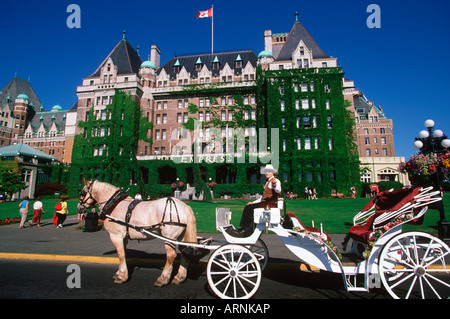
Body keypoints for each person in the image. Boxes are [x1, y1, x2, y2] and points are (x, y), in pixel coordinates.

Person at [229, 164, 281, 237]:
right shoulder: (267, 182)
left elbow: (278, 190)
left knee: (249, 208)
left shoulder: (275, 181)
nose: (267, 173)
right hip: (265, 202)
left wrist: (275, 185)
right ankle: (246, 229)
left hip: (269, 204)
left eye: (269, 172)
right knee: (249, 206)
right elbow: (262, 197)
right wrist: (252, 202)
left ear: (273, 173)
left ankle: (245, 230)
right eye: (266, 171)